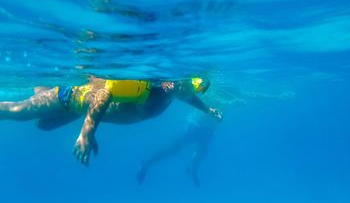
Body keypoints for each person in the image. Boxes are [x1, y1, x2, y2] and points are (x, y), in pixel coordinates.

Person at [0, 77, 222, 165]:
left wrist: (207, 108)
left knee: (43, 125)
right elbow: (103, 95)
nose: (178, 88)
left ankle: (44, 89)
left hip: (79, 110)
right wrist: (87, 133)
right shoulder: (150, 89)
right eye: (176, 84)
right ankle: (47, 89)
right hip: (72, 99)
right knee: (18, 111)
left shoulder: (178, 90)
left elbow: (187, 95)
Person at [137, 87, 294, 186]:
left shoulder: (234, 91)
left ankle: (191, 170)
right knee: (174, 150)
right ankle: (146, 164)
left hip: (209, 130)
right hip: (194, 125)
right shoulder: (212, 88)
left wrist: (277, 96)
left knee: (202, 153)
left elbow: (253, 94)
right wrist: (231, 102)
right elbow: (212, 99)